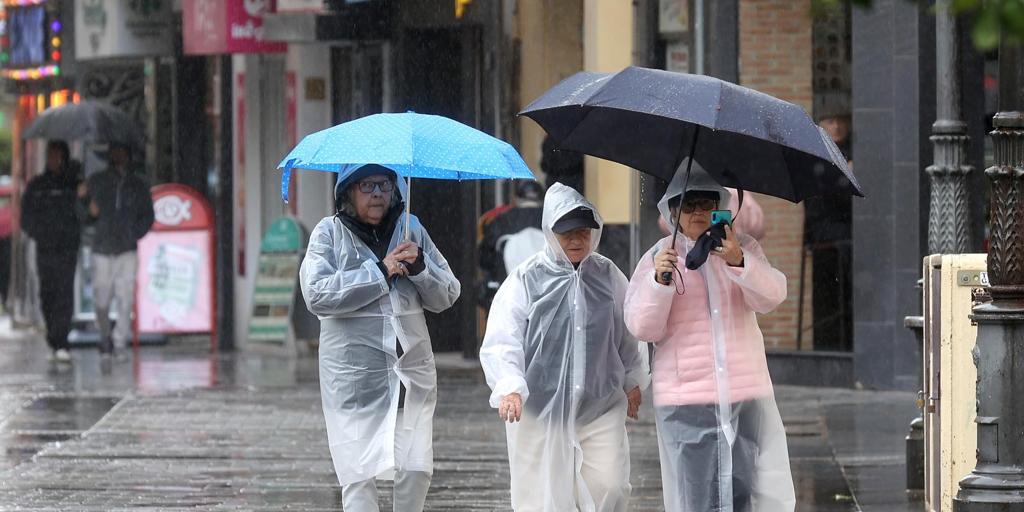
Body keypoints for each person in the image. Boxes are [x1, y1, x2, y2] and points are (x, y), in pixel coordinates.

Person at [624, 160, 795, 512]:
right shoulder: (659, 257)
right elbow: (643, 327)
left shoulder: (739, 247)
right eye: (689, 204)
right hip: (686, 399)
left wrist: (738, 262)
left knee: (744, 489)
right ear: (674, 211)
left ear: (720, 208)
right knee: (697, 496)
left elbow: (772, 296)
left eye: (706, 203)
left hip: (743, 392)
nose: (698, 212)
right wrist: (659, 282)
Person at [299, 164, 460, 512]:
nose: (377, 194)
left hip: (410, 372)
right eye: (367, 186)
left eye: (385, 186)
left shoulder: (410, 228)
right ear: (348, 192)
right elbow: (316, 295)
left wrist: (420, 269)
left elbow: (447, 294)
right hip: (355, 376)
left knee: (416, 467)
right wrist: (380, 272)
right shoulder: (328, 233)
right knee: (359, 474)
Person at [480, 183, 646, 512]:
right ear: (549, 230)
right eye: (566, 231)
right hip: (540, 411)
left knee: (609, 486)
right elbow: (503, 337)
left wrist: (633, 380)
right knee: (541, 496)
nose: (575, 239)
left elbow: (628, 333)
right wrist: (510, 386)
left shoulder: (608, 275)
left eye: (583, 231)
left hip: (600, 406)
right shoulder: (527, 278)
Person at [84, 142, 154, 359]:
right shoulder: (96, 182)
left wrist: (134, 233)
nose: (119, 155)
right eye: (116, 151)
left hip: (126, 247)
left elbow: (148, 215)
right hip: (103, 247)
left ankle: (119, 340)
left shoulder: (138, 184)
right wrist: (89, 209)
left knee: (125, 296)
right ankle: (105, 334)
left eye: (123, 150)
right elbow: (83, 214)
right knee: (102, 295)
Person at [21, 140, 82, 363]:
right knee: (47, 293)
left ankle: (61, 339)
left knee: (64, 293)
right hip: (45, 248)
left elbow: (82, 214)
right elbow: (26, 215)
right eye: (51, 156)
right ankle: (53, 337)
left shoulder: (72, 184)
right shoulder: (37, 186)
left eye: (58, 156)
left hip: (66, 248)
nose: (53, 160)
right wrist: (38, 232)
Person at [804, 104, 853, 350]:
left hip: (845, 228)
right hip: (825, 229)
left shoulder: (850, 151)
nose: (836, 126)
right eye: (830, 121)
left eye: (840, 121)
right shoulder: (817, 154)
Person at [477, 180, 545, 309]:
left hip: (507, 291)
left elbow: (484, 259)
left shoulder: (501, 221)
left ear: (516, 199)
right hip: (547, 292)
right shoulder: (553, 220)